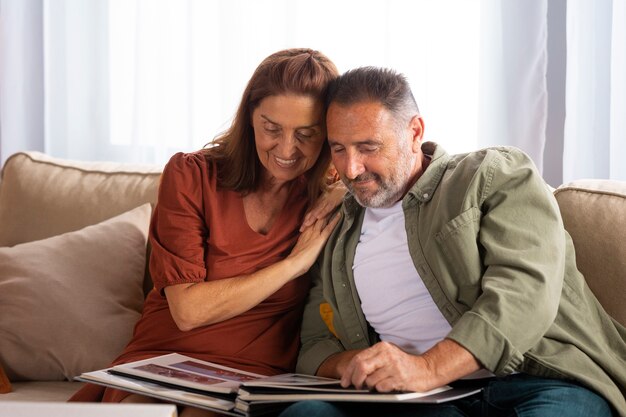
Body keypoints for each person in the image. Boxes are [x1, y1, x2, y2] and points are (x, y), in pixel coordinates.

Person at [279, 67, 626, 417]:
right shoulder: (338, 229)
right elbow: (314, 343)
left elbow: (525, 291)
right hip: (426, 401)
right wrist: (361, 364)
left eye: (368, 147)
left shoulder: (493, 176)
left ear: (414, 132)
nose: (351, 169)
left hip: (539, 377)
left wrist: (428, 368)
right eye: (339, 149)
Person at [69, 48, 344, 416]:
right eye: (271, 128)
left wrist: (346, 188)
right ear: (250, 117)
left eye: (306, 134)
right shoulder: (191, 176)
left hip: (253, 376)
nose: (286, 149)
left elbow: (403, 156)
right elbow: (188, 311)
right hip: (163, 360)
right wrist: (295, 264)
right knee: (146, 411)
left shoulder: (327, 192)